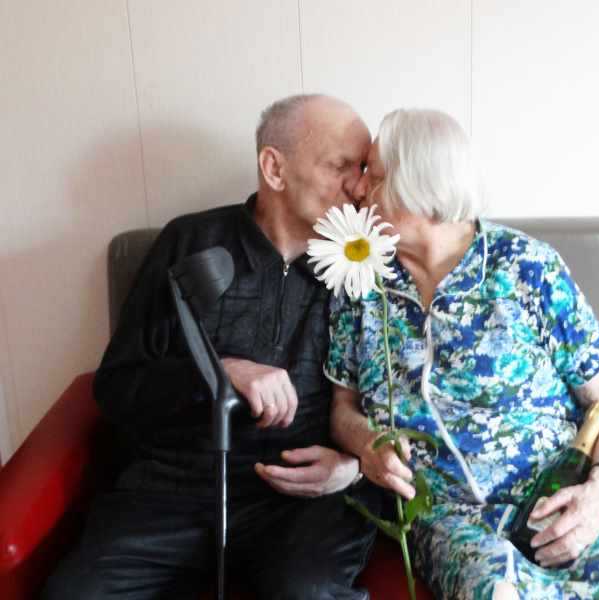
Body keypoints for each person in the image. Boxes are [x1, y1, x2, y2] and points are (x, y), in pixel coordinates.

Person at [327, 108, 599, 599]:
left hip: (562, 490)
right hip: (451, 517)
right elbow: (342, 409)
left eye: (373, 176)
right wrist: (368, 442)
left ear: (419, 188)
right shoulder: (358, 279)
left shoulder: (525, 267)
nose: (358, 189)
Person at [42, 94, 380, 600]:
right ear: (274, 168)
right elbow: (117, 385)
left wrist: (352, 470)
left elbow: (395, 407)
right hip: (171, 493)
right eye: (339, 166)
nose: (358, 186)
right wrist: (219, 372)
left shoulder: (365, 262)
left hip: (300, 502)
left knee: (307, 592)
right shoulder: (189, 243)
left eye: (363, 168)